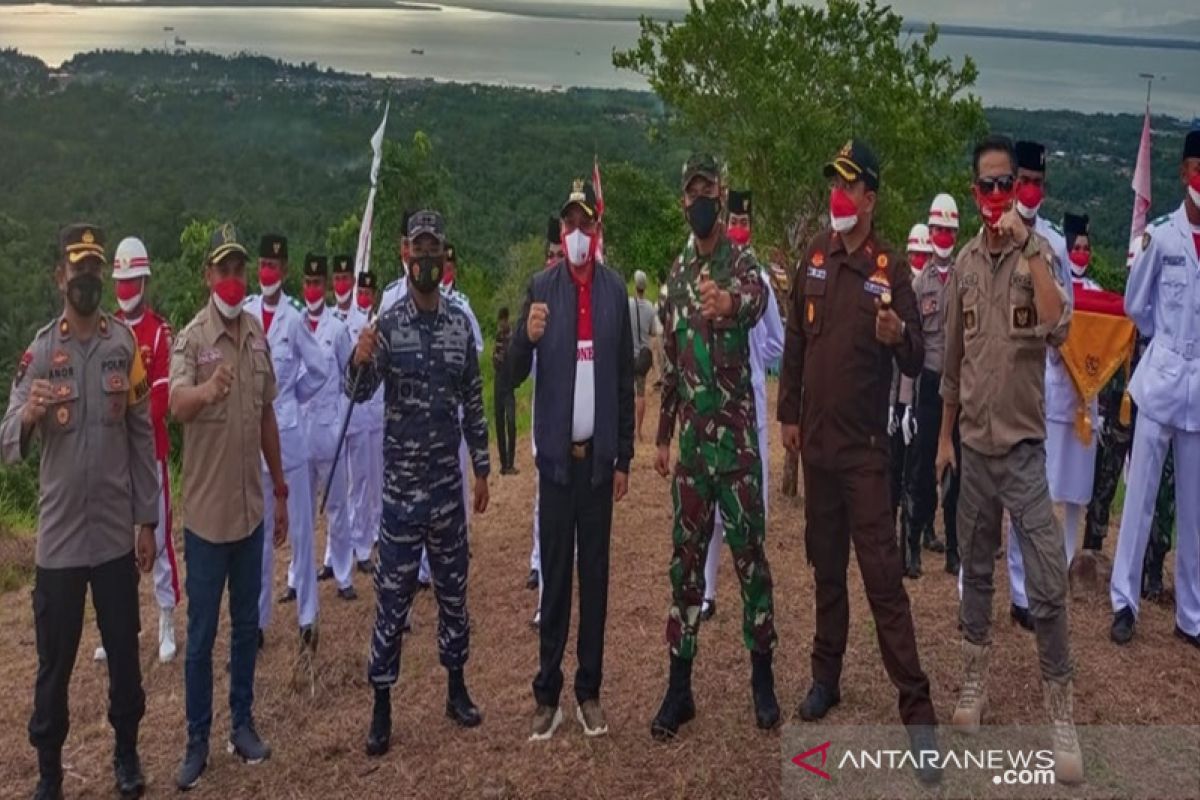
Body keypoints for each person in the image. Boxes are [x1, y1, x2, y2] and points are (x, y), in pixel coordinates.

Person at [778, 141, 938, 784]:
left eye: (849, 187)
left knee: (883, 583)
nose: (837, 198)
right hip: (816, 447)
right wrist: (788, 411)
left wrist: (900, 336)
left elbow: (917, 353)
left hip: (866, 454)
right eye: (833, 186)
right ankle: (826, 676)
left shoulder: (889, 267)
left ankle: (918, 712)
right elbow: (794, 336)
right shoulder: (814, 253)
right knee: (825, 571)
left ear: (870, 197)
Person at [937, 135, 1081, 785]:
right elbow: (952, 364)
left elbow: (1059, 325)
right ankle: (974, 685)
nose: (998, 196)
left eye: (1006, 185)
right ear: (975, 193)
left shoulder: (1040, 254)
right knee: (976, 573)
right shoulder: (963, 265)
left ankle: (1060, 714)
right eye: (987, 187)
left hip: (1023, 451)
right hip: (972, 446)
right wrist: (944, 439)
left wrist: (1030, 249)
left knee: (1047, 580)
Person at [3, 223, 157, 800]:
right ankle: (49, 772)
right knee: (53, 666)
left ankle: (127, 754)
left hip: (116, 536)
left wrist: (147, 520)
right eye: (78, 269)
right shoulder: (42, 351)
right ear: (59, 276)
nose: (87, 278)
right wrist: (26, 418)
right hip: (61, 543)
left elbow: (142, 437)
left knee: (124, 654)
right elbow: (5, 440)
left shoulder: (124, 346)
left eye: (95, 268)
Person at [347, 209, 490, 757]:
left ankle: (456, 689)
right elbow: (358, 391)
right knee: (393, 601)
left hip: (447, 493)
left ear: (442, 253)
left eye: (435, 249)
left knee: (454, 595)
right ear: (406, 252)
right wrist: (358, 359)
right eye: (419, 248)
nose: (427, 258)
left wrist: (480, 465)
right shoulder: (387, 326)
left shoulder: (458, 325)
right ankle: (381, 706)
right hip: (401, 497)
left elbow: (473, 401)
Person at [652, 154, 779, 740]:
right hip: (693, 456)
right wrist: (659, 437)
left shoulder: (743, 263)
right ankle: (680, 689)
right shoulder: (674, 275)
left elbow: (753, 302)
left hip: (738, 454)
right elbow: (672, 369)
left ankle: (762, 679)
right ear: (683, 200)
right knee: (685, 568)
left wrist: (730, 303)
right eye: (692, 190)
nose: (700, 198)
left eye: (709, 188)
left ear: (721, 195)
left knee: (752, 563)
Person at [509, 179, 633, 741]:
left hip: (598, 465)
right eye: (569, 224)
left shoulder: (612, 294)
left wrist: (624, 456)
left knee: (596, 579)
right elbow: (509, 375)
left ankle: (589, 691)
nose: (577, 233)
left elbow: (624, 386)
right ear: (561, 231)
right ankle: (547, 694)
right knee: (555, 580)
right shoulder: (541, 288)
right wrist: (524, 340)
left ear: (597, 231)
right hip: (557, 465)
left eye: (585, 224)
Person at [169, 222, 289, 789]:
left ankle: (241, 724)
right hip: (207, 520)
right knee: (200, 637)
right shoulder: (193, 339)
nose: (236, 279)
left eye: (241, 269)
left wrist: (283, 490)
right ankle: (197, 740)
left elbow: (267, 415)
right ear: (208, 276)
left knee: (246, 628)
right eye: (226, 270)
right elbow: (177, 404)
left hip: (250, 512)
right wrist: (207, 391)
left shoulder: (257, 335)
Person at [1109, 130, 1200, 650]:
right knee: (1139, 497)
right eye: (1197, 168)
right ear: (1186, 172)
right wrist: (1166, 345)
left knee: (1194, 511)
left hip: (1198, 389)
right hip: (1162, 376)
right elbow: (1134, 306)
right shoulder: (1163, 237)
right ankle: (1124, 601)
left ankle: (1191, 614)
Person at [699, 189, 784, 621]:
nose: (738, 228)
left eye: (744, 223)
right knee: (709, 504)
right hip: (710, 399)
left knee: (748, 504)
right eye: (733, 221)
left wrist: (754, 364)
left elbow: (776, 340)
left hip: (747, 399)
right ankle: (709, 591)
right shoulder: (706, 271)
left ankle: (754, 594)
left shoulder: (759, 278)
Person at [1003, 140, 1074, 630]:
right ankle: (976, 585)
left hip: (1037, 380)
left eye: (1037, 182)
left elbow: (1063, 308)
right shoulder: (993, 232)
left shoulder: (1054, 243)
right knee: (988, 496)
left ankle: (1022, 593)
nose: (1031, 189)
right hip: (997, 374)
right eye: (1023, 179)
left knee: (1030, 492)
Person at [244, 235, 327, 652]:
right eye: (263, 263)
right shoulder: (244, 313)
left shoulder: (295, 318)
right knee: (257, 539)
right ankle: (257, 621)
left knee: (299, 532)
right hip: (251, 443)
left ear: (286, 270)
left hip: (290, 437)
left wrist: (294, 397)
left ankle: (308, 616)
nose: (267, 271)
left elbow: (319, 368)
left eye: (275, 265)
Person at [101, 236, 181, 665]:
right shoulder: (106, 329)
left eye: (133, 279)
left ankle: (167, 617)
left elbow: (161, 398)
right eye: (121, 279)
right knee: (114, 543)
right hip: (112, 456)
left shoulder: (159, 332)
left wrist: (128, 427)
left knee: (161, 537)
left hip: (149, 452)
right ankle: (116, 624)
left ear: (144, 281)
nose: (126, 287)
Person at [902, 210, 960, 578]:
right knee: (922, 471)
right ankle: (911, 545)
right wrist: (904, 404)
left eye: (948, 230)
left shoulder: (964, 278)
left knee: (958, 471)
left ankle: (955, 549)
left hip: (957, 388)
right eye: (936, 229)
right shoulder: (919, 284)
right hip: (927, 384)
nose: (941, 236)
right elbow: (910, 345)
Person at [299, 254, 357, 600]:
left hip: (329, 428)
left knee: (337, 505)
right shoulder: (294, 323)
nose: (312, 288)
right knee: (302, 511)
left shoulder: (337, 328)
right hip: (299, 431)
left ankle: (343, 574)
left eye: (317, 283)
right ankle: (298, 575)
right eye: (307, 282)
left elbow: (350, 375)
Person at [525, 217, 565, 619]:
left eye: (560, 255)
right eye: (550, 256)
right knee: (543, 503)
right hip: (544, 422)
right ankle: (540, 565)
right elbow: (519, 364)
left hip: (578, 426)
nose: (555, 262)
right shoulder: (536, 298)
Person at [330, 255, 380, 576]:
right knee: (338, 486)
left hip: (361, 412)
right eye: (339, 278)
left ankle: (362, 546)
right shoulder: (327, 320)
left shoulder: (367, 322)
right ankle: (333, 554)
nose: (344, 285)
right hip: (334, 414)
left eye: (348, 278)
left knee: (361, 483)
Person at [891, 223, 933, 579]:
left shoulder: (930, 288)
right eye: (915, 254)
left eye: (924, 254)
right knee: (893, 475)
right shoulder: (904, 290)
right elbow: (896, 357)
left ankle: (912, 547)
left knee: (916, 478)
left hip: (921, 399)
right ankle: (891, 544)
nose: (920, 260)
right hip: (900, 400)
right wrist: (894, 406)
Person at [629, 269, 661, 442]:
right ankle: (639, 430)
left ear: (635, 285)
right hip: (642, 358)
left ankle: (628, 427)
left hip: (628, 356)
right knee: (640, 394)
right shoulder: (650, 307)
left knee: (627, 393)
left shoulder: (628, 304)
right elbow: (653, 332)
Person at [493, 306, 518, 475]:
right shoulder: (499, 337)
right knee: (500, 424)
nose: (502, 323)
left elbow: (511, 358)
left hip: (507, 384)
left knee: (510, 423)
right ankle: (504, 464)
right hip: (499, 383)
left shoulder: (512, 337)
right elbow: (495, 361)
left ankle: (510, 462)